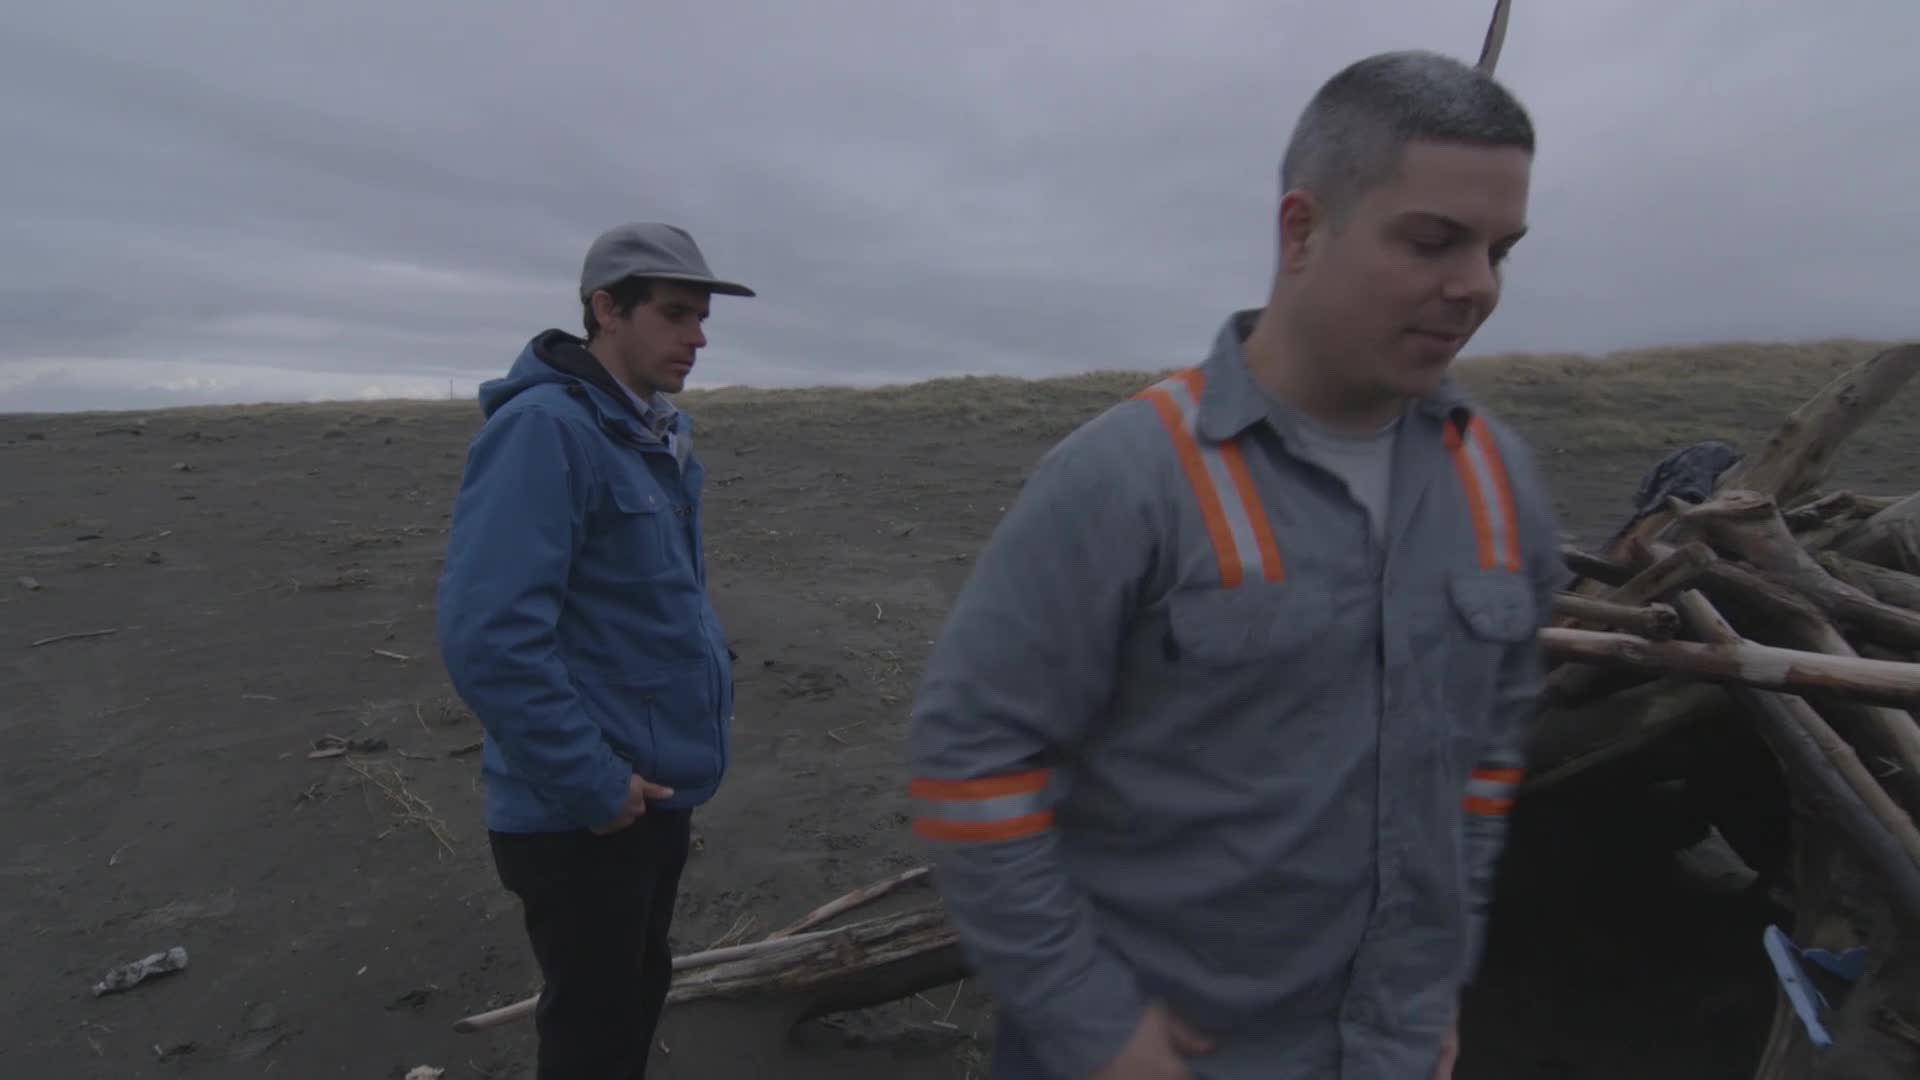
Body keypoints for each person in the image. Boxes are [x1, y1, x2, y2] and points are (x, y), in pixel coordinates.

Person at [907, 49, 1562, 1080]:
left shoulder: (1499, 484)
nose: (1475, 286)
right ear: (1302, 230)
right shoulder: (1125, 478)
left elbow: (1484, 761)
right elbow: (967, 765)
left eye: (1499, 249)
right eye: (1433, 241)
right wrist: (1093, 1026)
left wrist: (1431, 982)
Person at [436, 221, 754, 1079]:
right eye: (677, 313)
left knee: (635, 989)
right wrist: (591, 781)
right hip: (582, 810)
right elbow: (488, 635)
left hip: (650, 789)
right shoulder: (547, 431)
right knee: (593, 1028)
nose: (698, 336)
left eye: (702, 317)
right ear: (606, 310)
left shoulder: (650, 431)